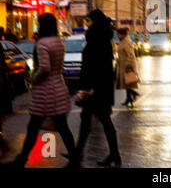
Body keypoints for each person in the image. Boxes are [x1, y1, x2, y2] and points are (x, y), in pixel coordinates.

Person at [0, 13, 78, 168]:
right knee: (61, 127)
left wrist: (32, 79)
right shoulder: (58, 42)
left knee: (34, 127)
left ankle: (21, 160)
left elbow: (44, 68)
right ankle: (74, 159)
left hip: (45, 92)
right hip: (59, 88)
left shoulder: (42, 43)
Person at [75, 10, 121, 168]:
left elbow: (96, 67)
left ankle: (78, 155)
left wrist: (90, 88)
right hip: (100, 87)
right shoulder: (104, 39)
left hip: (95, 88)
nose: (88, 24)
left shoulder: (97, 40)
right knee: (93, 119)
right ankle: (114, 155)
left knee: (94, 120)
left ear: (95, 22)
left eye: (89, 21)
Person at [116, 28, 140, 107]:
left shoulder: (126, 42)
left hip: (127, 66)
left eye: (118, 34)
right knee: (127, 84)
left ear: (122, 34)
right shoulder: (123, 41)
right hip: (123, 66)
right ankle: (129, 98)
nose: (117, 36)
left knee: (128, 83)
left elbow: (130, 55)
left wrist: (127, 65)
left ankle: (132, 95)